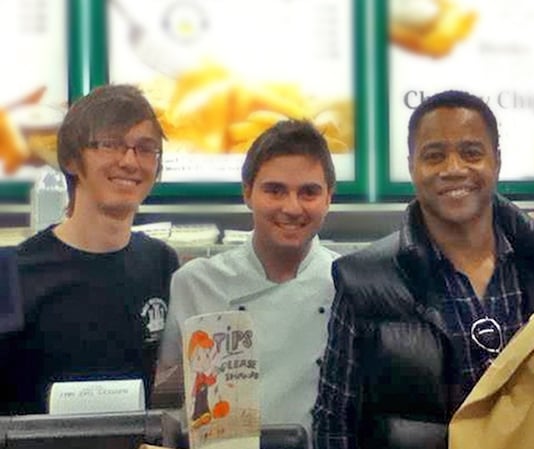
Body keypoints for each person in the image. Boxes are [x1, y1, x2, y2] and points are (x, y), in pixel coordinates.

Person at [313, 90, 534, 449]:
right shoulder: (364, 280)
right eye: (434, 155)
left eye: (471, 152)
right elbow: (334, 423)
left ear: (497, 161)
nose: (454, 168)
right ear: (412, 166)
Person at [0, 84, 179, 414]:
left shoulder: (161, 264)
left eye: (145, 148)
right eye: (110, 144)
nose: (129, 161)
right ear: (70, 159)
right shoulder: (12, 274)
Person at [158, 120, 338, 438]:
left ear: (328, 198)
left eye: (309, 192)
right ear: (247, 193)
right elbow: (164, 385)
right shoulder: (194, 283)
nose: (292, 207)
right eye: (275, 190)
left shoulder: (348, 285)